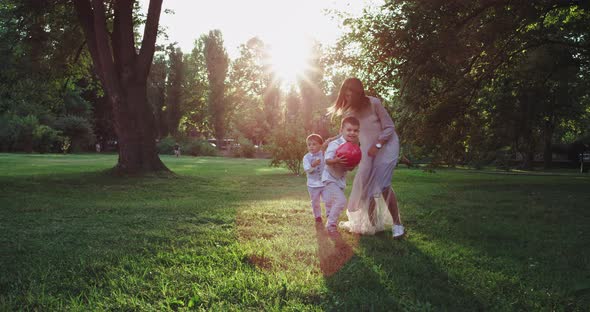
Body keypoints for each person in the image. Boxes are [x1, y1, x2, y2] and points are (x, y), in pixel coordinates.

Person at [328, 77, 405, 238]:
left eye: (351, 95)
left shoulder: (374, 103)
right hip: (368, 152)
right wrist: (331, 140)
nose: (347, 99)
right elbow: (348, 133)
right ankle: (374, 225)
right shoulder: (349, 112)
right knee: (364, 186)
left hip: (386, 147)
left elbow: (390, 127)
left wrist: (377, 145)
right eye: (345, 95)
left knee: (383, 184)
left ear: (358, 93)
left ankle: (398, 224)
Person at [321, 116, 360, 233]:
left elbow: (351, 167)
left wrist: (352, 165)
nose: (352, 133)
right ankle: (331, 225)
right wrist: (336, 160)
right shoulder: (335, 144)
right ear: (341, 130)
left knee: (331, 201)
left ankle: (329, 215)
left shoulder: (354, 147)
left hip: (340, 180)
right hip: (329, 178)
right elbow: (326, 160)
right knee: (341, 201)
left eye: (355, 130)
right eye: (349, 130)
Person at [303, 134, 326, 223]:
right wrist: (313, 164)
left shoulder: (324, 154)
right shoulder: (306, 157)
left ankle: (329, 215)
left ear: (320, 145)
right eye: (309, 145)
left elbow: (328, 163)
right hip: (313, 184)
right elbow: (307, 169)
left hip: (324, 183)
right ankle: (318, 216)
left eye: (314, 144)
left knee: (328, 200)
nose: (311, 146)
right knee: (315, 202)